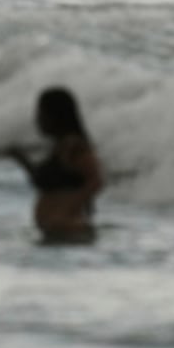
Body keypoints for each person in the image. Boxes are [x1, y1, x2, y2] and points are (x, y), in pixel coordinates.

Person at [9, 87, 103, 241]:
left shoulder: (74, 146)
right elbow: (46, 183)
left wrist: (68, 208)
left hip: (70, 231)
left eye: (41, 114)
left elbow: (96, 181)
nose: (37, 120)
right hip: (55, 232)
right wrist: (21, 159)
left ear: (56, 116)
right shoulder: (59, 147)